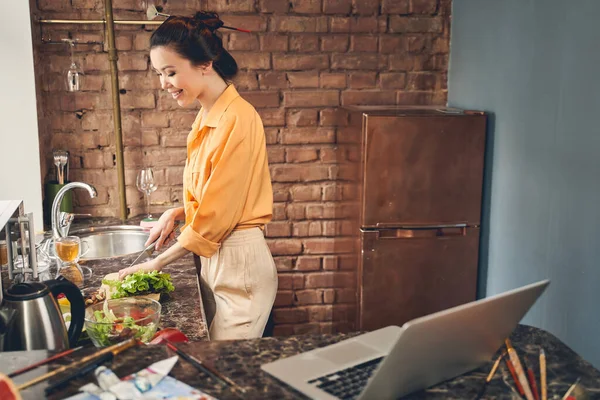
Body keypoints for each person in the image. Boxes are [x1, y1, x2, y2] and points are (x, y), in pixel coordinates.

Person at [117, 11, 277, 341]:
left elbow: (218, 214)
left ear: (204, 64)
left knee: (225, 376)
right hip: (222, 262)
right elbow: (215, 194)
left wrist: (156, 264)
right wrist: (177, 212)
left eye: (171, 72)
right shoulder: (209, 115)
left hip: (239, 264)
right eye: (160, 74)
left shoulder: (238, 119)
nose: (163, 83)